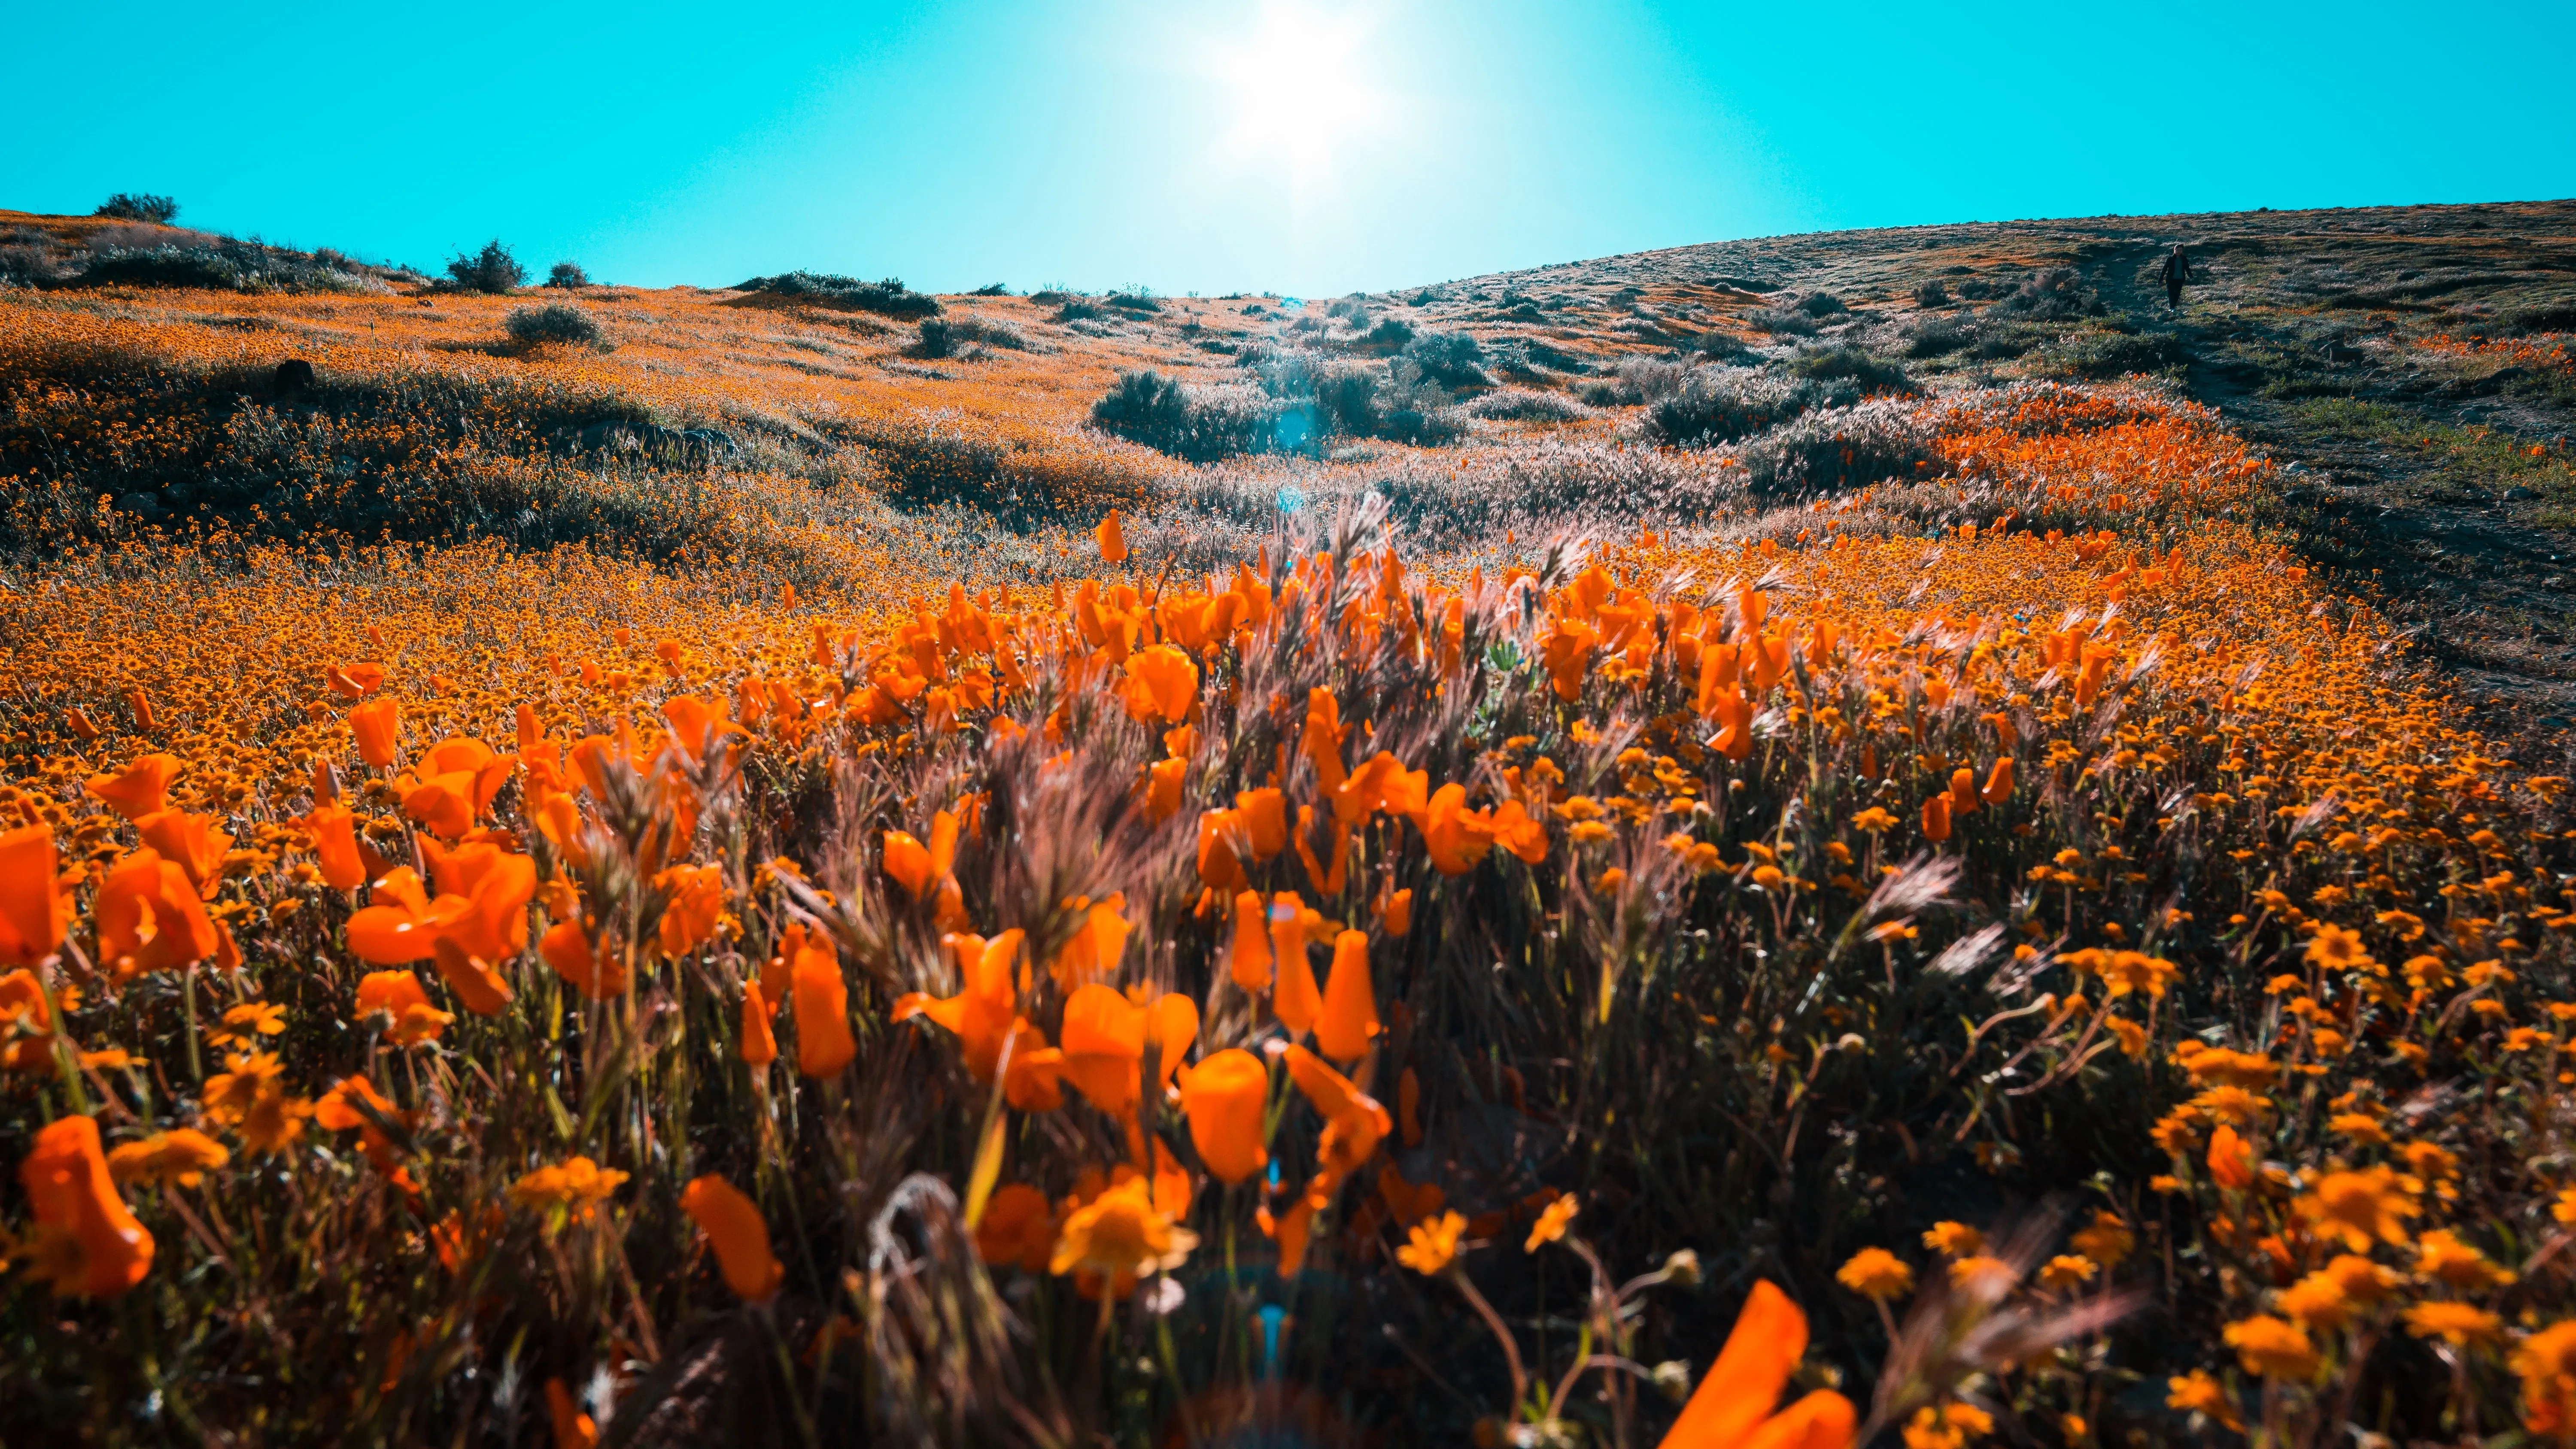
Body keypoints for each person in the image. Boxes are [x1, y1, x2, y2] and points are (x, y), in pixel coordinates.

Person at [2159, 244, 2192, 309]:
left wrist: (2191, 277)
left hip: (2180, 279)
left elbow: (2187, 269)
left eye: (2180, 250)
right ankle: (2171, 308)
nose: (2179, 252)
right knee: (2171, 294)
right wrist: (2160, 280)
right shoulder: (2170, 259)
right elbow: (2164, 270)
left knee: (2177, 295)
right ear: (2174, 250)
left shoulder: (2184, 259)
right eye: (2177, 250)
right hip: (2170, 280)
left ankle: (2173, 307)